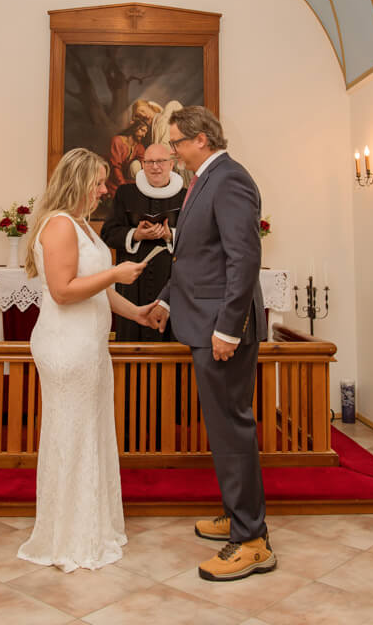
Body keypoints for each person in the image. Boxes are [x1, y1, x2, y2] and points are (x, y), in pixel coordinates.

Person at [149, 106, 276, 583]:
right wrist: (166, 299)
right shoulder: (206, 179)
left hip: (221, 327)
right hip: (203, 319)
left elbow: (243, 258)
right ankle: (237, 513)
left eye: (177, 143)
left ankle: (252, 541)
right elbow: (195, 258)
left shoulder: (230, 179)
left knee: (232, 429)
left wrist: (228, 328)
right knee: (222, 428)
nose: (174, 152)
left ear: (201, 139)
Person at [17, 148, 157, 572]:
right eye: (96, 183)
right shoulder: (59, 224)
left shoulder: (81, 225)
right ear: (76, 182)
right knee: (71, 435)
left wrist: (137, 312)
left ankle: (91, 526)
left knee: (90, 433)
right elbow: (63, 291)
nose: (102, 190)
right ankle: (68, 537)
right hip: (66, 346)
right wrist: (115, 272)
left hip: (89, 346)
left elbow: (98, 290)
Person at [101, 143, 185, 341]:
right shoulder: (125, 194)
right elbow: (108, 233)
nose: (155, 167)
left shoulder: (185, 196)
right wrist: (136, 235)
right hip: (132, 284)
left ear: (171, 164)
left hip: (171, 279)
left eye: (161, 161)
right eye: (149, 162)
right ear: (142, 164)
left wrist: (170, 235)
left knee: (170, 338)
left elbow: (199, 238)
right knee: (132, 334)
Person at [106, 118, 148, 198]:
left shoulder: (139, 146)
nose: (144, 135)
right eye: (142, 130)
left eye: (145, 132)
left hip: (124, 178)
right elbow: (115, 167)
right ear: (134, 128)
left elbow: (144, 163)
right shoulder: (117, 140)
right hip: (112, 176)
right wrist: (123, 185)